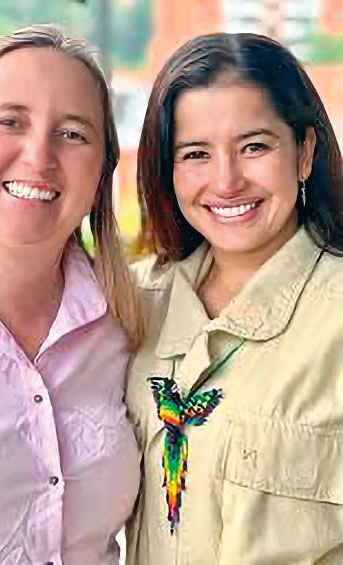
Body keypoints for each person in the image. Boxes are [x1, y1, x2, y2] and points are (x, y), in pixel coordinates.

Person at [0, 24, 142, 565]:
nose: (39, 157)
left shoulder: (130, 319)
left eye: (74, 134)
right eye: (10, 121)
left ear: (103, 169)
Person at [126, 32, 343, 564]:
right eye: (195, 154)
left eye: (254, 146)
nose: (226, 181)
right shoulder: (130, 303)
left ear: (304, 152)